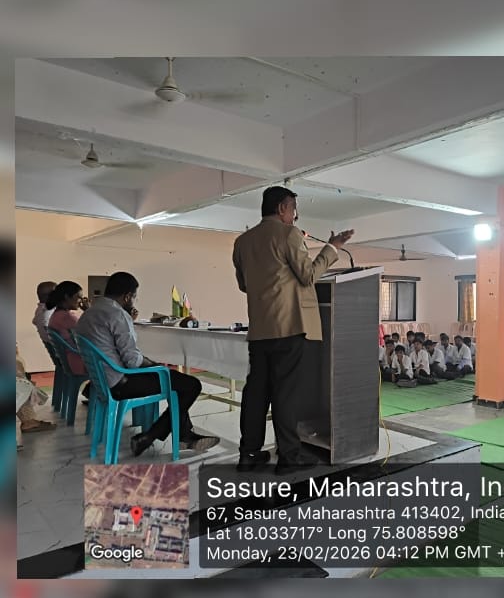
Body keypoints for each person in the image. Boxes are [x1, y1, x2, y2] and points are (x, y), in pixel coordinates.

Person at [232, 185, 354, 474]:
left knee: (256, 393)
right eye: (293, 210)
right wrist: (332, 248)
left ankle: (248, 454)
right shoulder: (289, 234)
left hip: (259, 330)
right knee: (285, 393)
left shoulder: (242, 241)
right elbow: (308, 275)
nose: (295, 216)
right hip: (289, 327)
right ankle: (289, 458)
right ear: (282, 209)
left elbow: (244, 285)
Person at [76, 271, 219, 456]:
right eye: (134, 297)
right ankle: (149, 436)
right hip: (121, 383)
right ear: (127, 296)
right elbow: (133, 361)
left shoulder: (89, 314)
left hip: (102, 382)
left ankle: (184, 435)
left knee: (174, 381)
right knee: (191, 385)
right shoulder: (117, 315)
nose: (134, 301)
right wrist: (154, 364)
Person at [47, 281, 87, 376]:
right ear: (67, 297)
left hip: (71, 361)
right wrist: (89, 310)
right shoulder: (67, 317)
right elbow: (92, 331)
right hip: (80, 363)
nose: (81, 301)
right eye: (78, 297)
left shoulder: (56, 315)